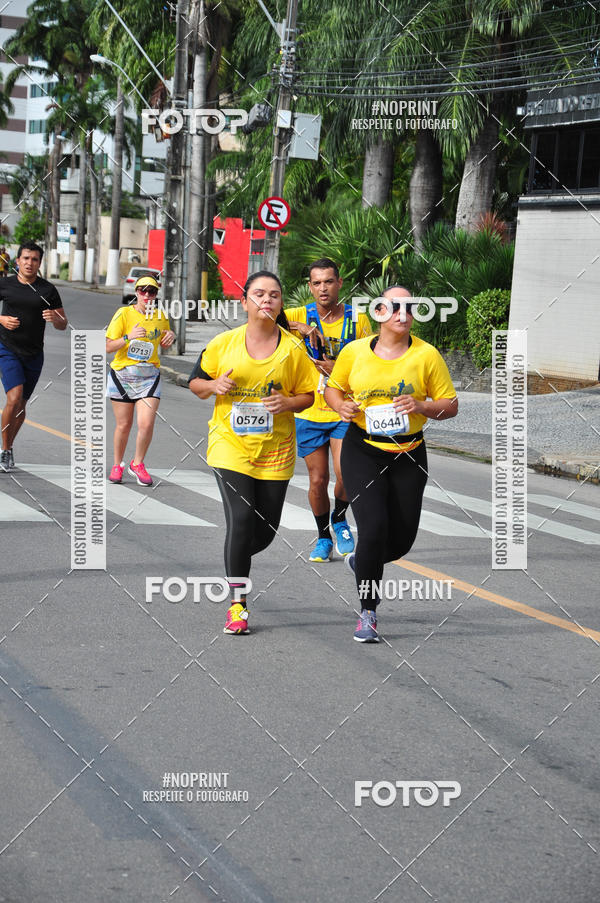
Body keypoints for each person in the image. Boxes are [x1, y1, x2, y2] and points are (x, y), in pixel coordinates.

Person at [324, 286, 458, 643]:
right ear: (379, 312)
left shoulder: (426, 355)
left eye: (409, 308)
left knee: (401, 541)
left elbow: (450, 405)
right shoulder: (355, 352)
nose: (403, 313)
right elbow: (333, 389)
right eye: (394, 307)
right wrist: (340, 405)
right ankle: (368, 611)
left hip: (409, 454)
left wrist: (421, 405)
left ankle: (363, 562)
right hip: (363, 450)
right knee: (372, 529)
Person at [189, 270, 314, 635]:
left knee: (265, 532)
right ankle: (238, 605)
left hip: (276, 450)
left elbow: (308, 396)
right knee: (242, 520)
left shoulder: (293, 349)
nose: (266, 300)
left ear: (281, 303)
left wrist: (287, 402)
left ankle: (236, 555)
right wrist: (214, 385)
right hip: (230, 446)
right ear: (244, 301)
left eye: (274, 294)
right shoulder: (223, 343)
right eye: (259, 294)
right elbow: (195, 383)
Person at [285, 258, 372, 563]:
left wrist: (339, 368)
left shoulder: (358, 320)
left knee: (345, 474)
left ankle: (340, 518)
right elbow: (262, 319)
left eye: (329, 281)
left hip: (344, 410)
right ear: (310, 287)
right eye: (317, 283)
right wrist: (300, 327)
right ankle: (323, 537)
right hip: (309, 411)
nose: (323, 288)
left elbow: (370, 362)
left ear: (339, 283)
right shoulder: (298, 315)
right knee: (317, 480)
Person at [0, 241, 68, 471]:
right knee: (14, 397)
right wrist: (1, 319)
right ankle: (4, 450)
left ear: (39, 263)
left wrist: (55, 318)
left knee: (21, 406)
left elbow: (63, 324)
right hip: (7, 349)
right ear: (18, 260)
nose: (29, 263)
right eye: (26, 258)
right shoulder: (5, 284)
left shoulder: (48, 290)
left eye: (34, 259)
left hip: (34, 354)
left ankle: (9, 447)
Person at [105, 274, 174, 486]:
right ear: (136, 292)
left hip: (149, 377)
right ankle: (117, 465)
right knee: (124, 425)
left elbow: (165, 344)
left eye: (151, 291)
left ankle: (138, 463)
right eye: (142, 290)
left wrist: (170, 338)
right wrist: (128, 337)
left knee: (146, 423)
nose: (146, 295)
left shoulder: (161, 316)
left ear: (156, 294)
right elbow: (108, 346)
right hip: (123, 375)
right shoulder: (124, 314)